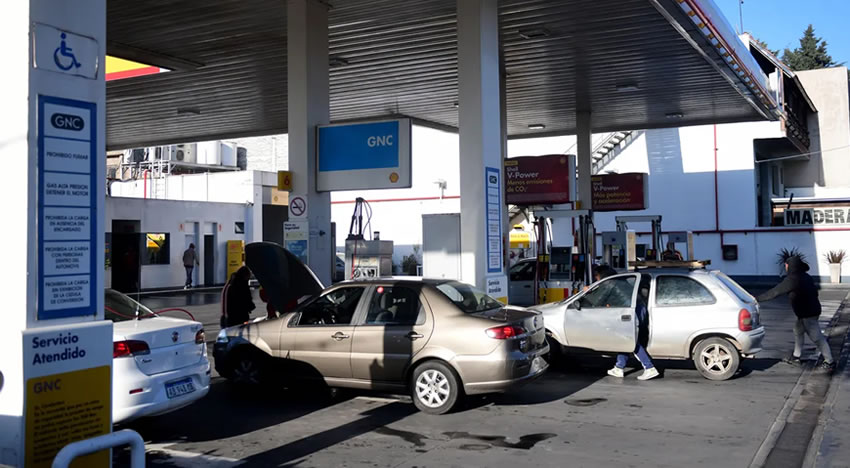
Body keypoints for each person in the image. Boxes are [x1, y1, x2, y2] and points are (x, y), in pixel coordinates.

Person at [757, 256, 835, 372]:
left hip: (808, 313)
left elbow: (775, 292)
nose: (785, 267)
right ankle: (796, 357)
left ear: (791, 266)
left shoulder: (793, 279)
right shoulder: (806, 276)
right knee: (798, 330)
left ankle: (829, 361)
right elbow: (814, 293)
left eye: (787, 265)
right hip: (810, 310)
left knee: (816, 337)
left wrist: (757, 299)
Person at [608, 277, 660, 381]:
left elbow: (600, 298)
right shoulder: (622, 282)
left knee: (631, 340)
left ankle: (649, 367)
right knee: (626, 340)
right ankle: (619, 367)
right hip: (640, 308)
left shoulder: (609, 283)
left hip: (631, 312)